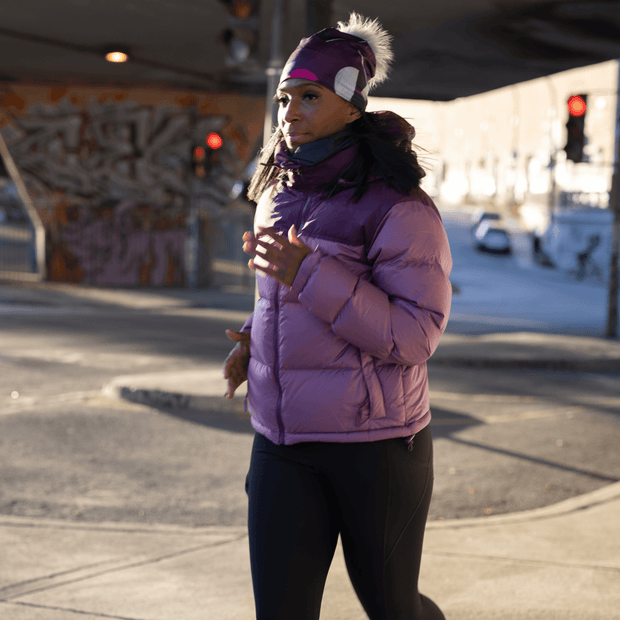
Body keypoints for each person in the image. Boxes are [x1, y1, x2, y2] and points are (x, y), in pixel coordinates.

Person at [223, 13, 451, 620]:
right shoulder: (277, 188)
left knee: (392, 609)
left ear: (351, 105)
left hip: (375, 447)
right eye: (283, 98)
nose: (288, 111)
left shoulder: (398, 206)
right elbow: (284, 301)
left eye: (309, 96)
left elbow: (414, 335)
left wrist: (308, 272)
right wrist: (253, 342)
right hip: (281, 441)